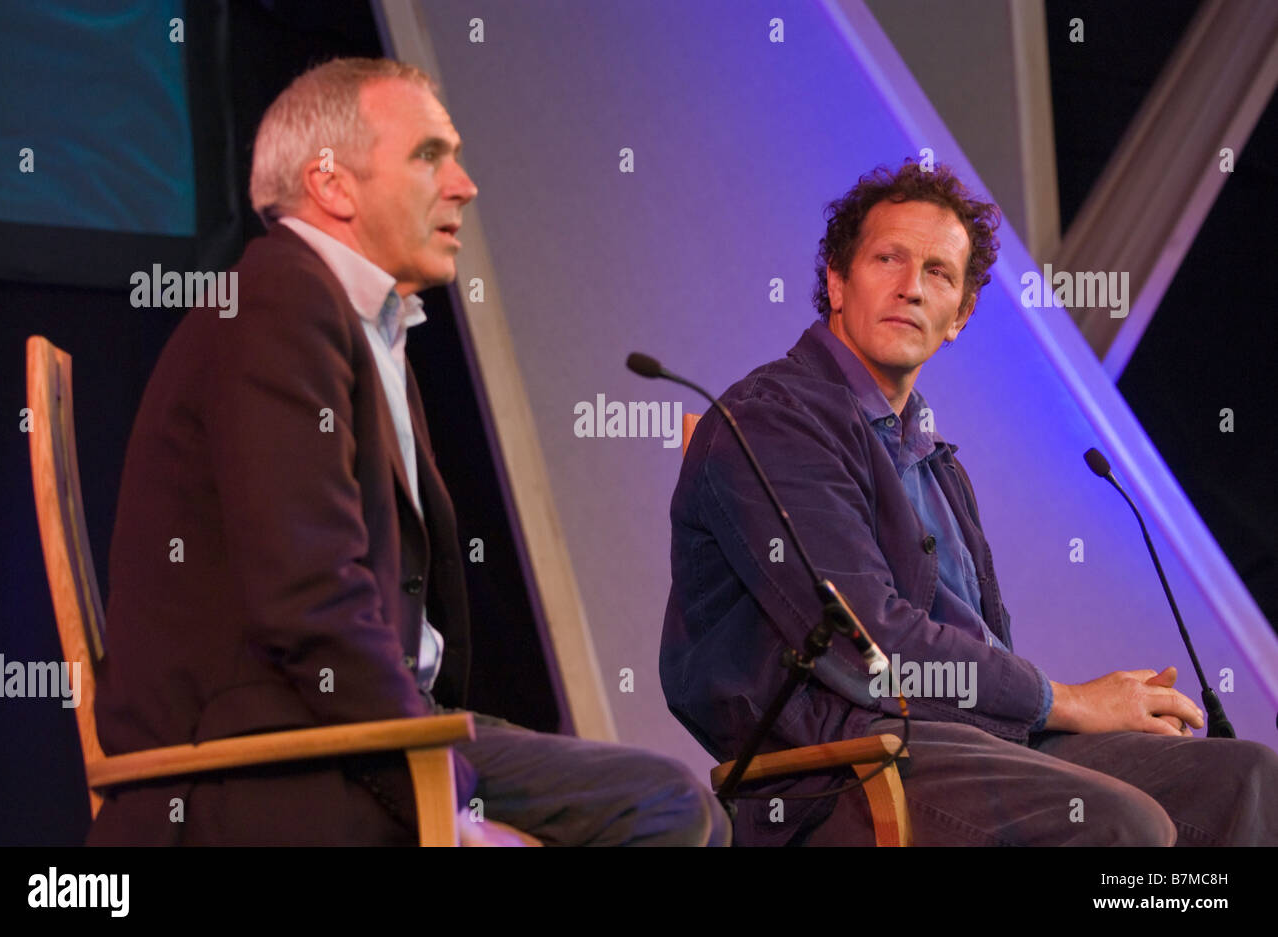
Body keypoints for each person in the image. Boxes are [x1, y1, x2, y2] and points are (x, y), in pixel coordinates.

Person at [89, 57, 727, 846]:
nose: (464, 184)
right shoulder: (278, 306)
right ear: (332, 183)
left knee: (663, 797)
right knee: (659, 808)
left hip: (361, 729)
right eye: (429, 155)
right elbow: (310, 597)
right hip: (265, 762)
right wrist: (443, 803)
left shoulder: (360, 320)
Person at [660, 159, 1278, 846]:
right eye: (887, 258)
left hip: (971, 741)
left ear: (961, 314)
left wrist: (1068, 712)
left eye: (939, 273)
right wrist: (1070, 700)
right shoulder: (773, 418)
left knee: (1245, 778)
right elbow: (871, 646)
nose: (911, 288)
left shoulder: (935, 459)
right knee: (1122, 826)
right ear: (836, 282)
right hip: (844, 765)